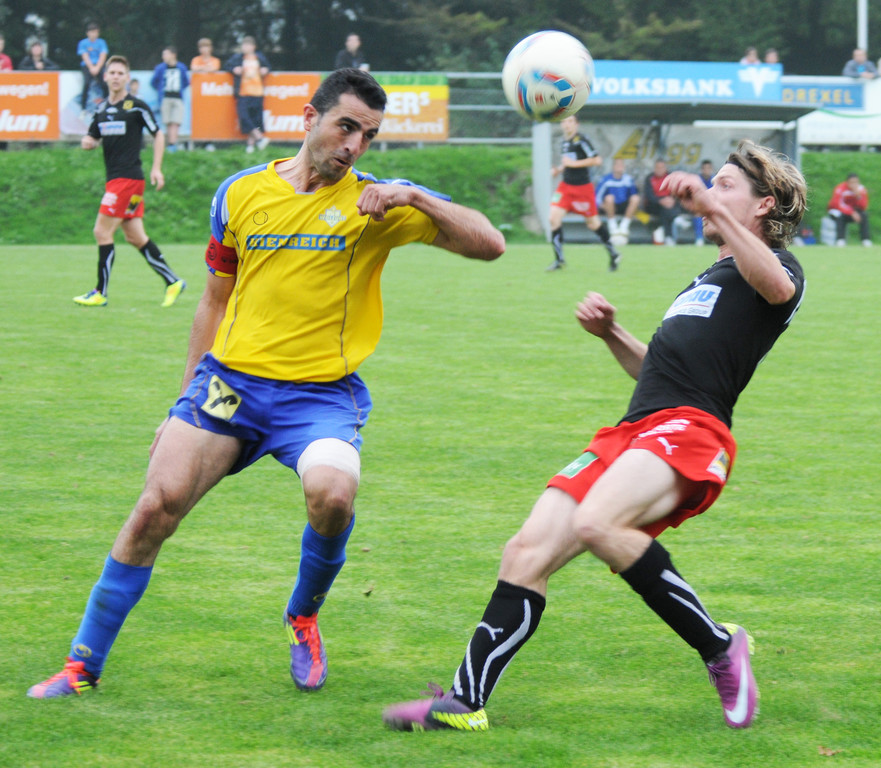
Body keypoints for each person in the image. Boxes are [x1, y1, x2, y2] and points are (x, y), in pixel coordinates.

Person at [27, 67, 505, 700]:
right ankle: (81, 666)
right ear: (309, 118)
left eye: (368, 135)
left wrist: (414, 198)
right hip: (229, 387)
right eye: (346, 127)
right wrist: (181, 402)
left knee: (334, 494)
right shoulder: (239, 193)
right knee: (153, 508)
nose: (355, 145)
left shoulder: (379, 203)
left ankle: (302, 616)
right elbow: (214, 300)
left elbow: (490, 243)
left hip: (319, 395)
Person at [383, 139, 807, 733]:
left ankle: (719, 648)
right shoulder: (708, 276)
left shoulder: (780, 267)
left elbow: (778, 289)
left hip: (691, 430)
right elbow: (659, 369)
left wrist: (710, 207)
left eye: (726, 186)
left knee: (598, 523)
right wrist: (612, 334)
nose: (712, 192)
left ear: (763, 205)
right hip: (632, 431)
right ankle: (464, 702)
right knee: (526, 551)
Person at [72, 55, 186, 309]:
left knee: (101, 231)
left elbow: (158, 134)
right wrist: (87, 143)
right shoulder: (101, 110)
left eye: (120, 73)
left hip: (128, 179)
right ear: (105, 76)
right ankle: (173, 281)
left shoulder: (136, 107)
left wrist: (156, 168)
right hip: (116, 180)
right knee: (135, 236)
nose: (115, 77)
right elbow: (92, 138)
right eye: (112, 73)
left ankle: (100, 292)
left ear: (127, 77)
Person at [546, 114, 621, 272]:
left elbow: (597, 160)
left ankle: (613, 253)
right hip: (565, 187)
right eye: (564, 121)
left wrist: (574, 164)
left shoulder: (581, 140)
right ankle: (559, 260)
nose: (567, 124)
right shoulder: (564, 142)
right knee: (553, 218)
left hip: (582, 189)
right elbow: (567, 162)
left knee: (593, 223)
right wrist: (559, 169)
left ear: (577, 124)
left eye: (570, 121)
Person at [225, 36, 271, 153]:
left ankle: (250, 146)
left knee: (255, 118)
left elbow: (268, 67)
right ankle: (260, 138)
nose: (245, 47)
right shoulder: (238, 58)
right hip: (243, 92)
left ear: (253, 47)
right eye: (243, 45)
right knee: (244, 117)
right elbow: (227, 65)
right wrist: (234, 69)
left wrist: (265, 70)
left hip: (257, 92)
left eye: (247, 45)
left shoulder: (259, 57)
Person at [151, 46, 189, 152]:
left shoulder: (181, 67)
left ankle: (173, 144)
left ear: (173, 55)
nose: (164, 56)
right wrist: (160, 90)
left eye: (166, 54)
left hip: (178, 98)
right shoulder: (160, 68)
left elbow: (186, 82)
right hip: (165, 98)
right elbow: (154, 82)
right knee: (167, 121)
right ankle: (169, 144)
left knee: (176, 121)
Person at [595, 158, 640, 243]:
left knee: (635, 198)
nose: (620, 167)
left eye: (622, 165)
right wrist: (601, 205)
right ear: (613, 167)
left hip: (623, 207)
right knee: (609, 198)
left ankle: (624, 227)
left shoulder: (628, 179)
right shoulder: (606, 180)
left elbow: (634, 195)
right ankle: (613, 228)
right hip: (609, 207)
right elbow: (597, 197)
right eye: (618, 165)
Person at [643, 158, 683, 246]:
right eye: (657, 167)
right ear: (654, 168)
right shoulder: (649, 178)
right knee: (665, 209)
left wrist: (672, 200)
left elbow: (677, 192)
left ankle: (668, 236)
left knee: (667, 210)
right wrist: (660, 201)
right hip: (654, 205)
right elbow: (649, 195)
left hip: (669, 204)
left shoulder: (671, 177)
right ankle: (675, 219)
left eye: (661, 167)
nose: (659, 170)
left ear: (665, 168)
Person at [827, 173, 872, 246]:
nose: (854, 184)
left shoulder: (861, 189)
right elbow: (837, 204)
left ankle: (865, 240)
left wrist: (858, 196)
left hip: (853, 212)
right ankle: (840, 240)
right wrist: (851, 212)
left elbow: (863, 206)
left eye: (856, 182)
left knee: (864, 215)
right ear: (847, 182)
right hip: (840, 211)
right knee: (839, 216)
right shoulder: (840, 188)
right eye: (852, 182)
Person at [77, 22, 109, 116]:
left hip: (99, 65)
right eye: (91, 32)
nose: (93, 34)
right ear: (87, 33)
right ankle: (83, 108)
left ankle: (107, 105)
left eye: (95, 32)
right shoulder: (83, 43)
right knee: (86, 84)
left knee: (104, 84)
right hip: (87, 66)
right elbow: (85, 56)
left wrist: (97, 67)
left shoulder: (101, 42)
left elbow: (103, 55)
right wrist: (91, 67)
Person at [693, 159, 715, 246]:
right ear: (701, 169)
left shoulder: (715, 180)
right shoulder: (697, 181)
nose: (706, 170)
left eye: (708, 168)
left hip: (713, 207)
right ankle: (699, 238)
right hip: (700, 207)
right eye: (704, 168)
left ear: (711, 169)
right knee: (698, 216)